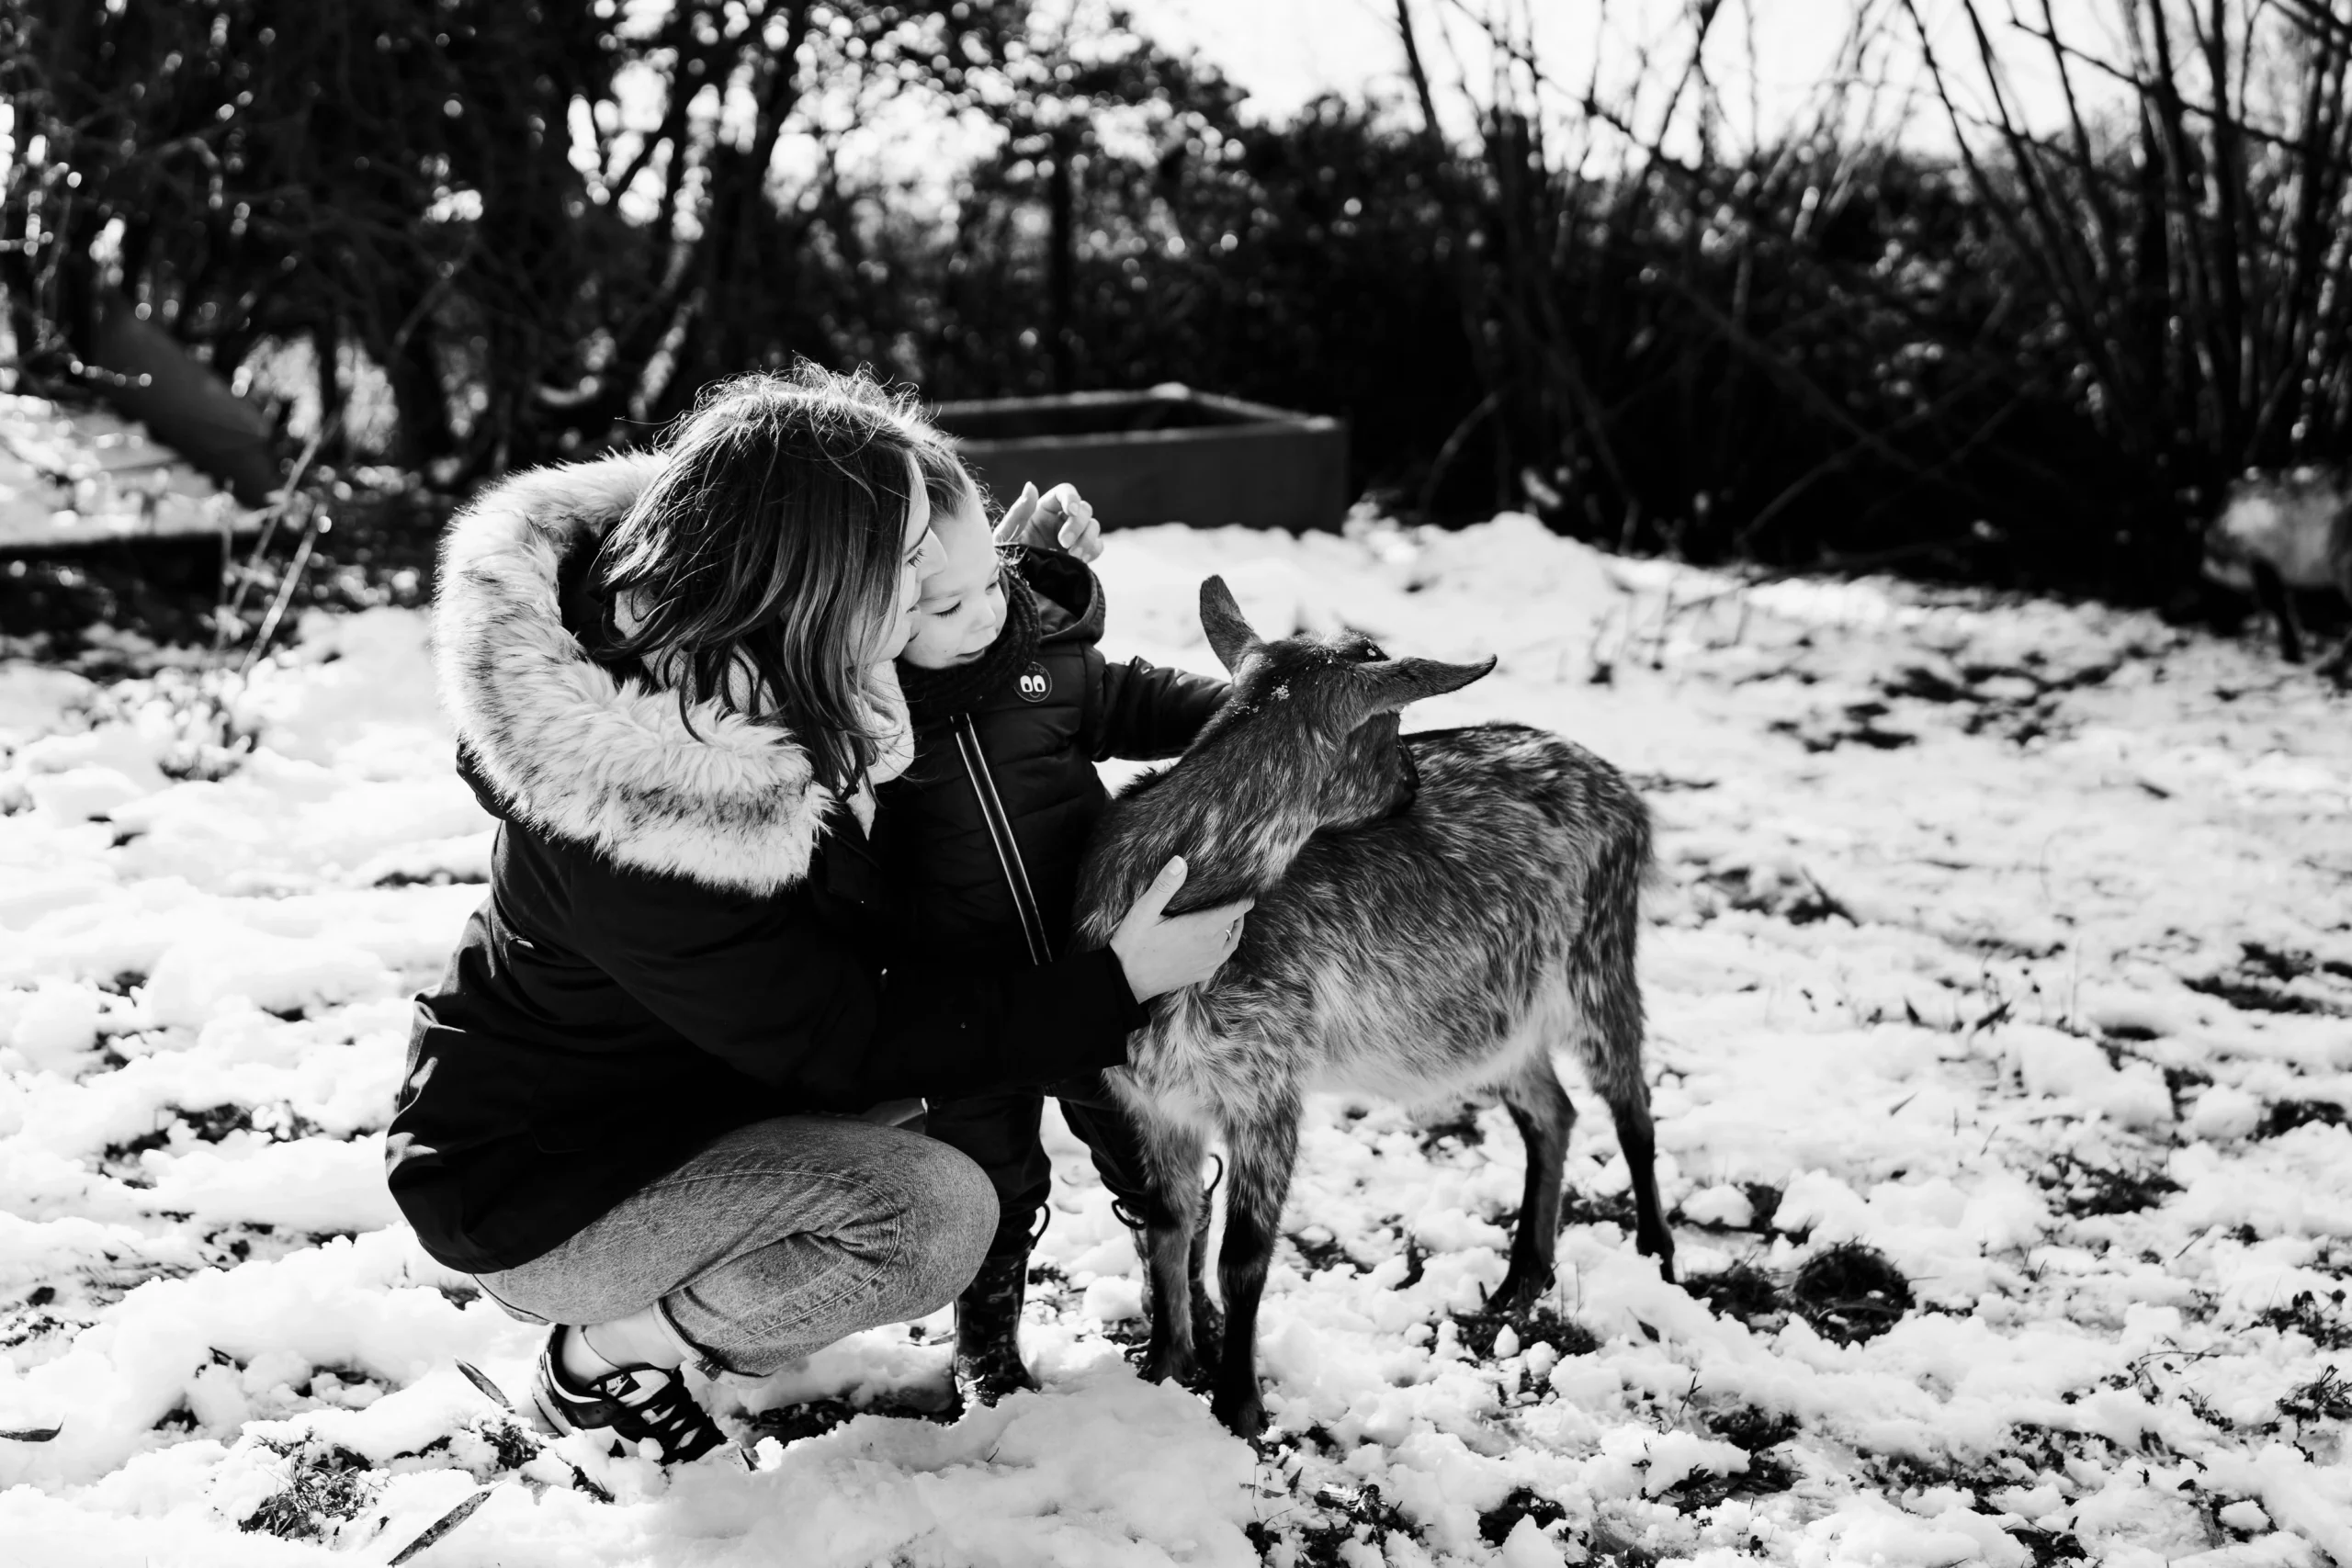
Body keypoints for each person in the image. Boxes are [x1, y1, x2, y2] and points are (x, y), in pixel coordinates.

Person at [386, 367, 1251, 1463]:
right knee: (933, 1217)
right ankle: (607, 1356)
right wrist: (1113, 982)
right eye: (907, 567)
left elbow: (979, 680)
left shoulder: (754, 631)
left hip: (702, 1082)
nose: (930, 578)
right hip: (551, 1183)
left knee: (939, 1113)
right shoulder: (661, 817)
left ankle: (708, 1274)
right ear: (822, 578)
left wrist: (1017, 592)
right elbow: (850, 1038)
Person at [885, 472, 1227, 1404]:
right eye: (946, 605)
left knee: (1150, 1149)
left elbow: (1142, 699)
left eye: (991, 584)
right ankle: (985, 1347)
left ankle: (1183, 1298)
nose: (984, 616)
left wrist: (1249, 712)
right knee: (988, 1181)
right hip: (967, 1003)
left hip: (1102, 971)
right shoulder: (868, 723)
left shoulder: (1050, 662)